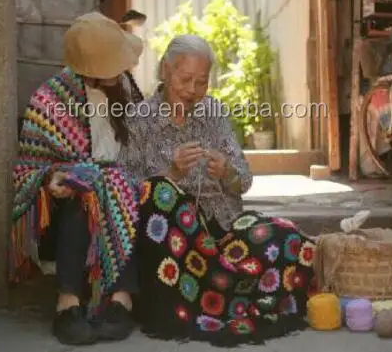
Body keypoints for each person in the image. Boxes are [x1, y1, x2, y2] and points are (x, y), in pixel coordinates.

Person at [120, 34, 318, 346]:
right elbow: (127, 192)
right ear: (165, 71)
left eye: (201, 82)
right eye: (185, 79)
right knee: (159, 191)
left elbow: (245, 181)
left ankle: (222, 293)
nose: (192, 91)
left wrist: (226, 172)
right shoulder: (140, 119)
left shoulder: (214, 112)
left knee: (290, 238)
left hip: (224, 235)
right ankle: (193, 302)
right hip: (176, 243)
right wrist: (170, 174)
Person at [8, 11, 143, 346]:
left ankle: (121, 299)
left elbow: (145, 154)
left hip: (123, 202)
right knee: (84, 191)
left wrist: (122, 179)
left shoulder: (128, 92)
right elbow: (29, 168)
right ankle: (67, 303)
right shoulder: (51, 99)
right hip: (68, 214)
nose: (122, 69)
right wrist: (52, 179)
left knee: (118, 186)